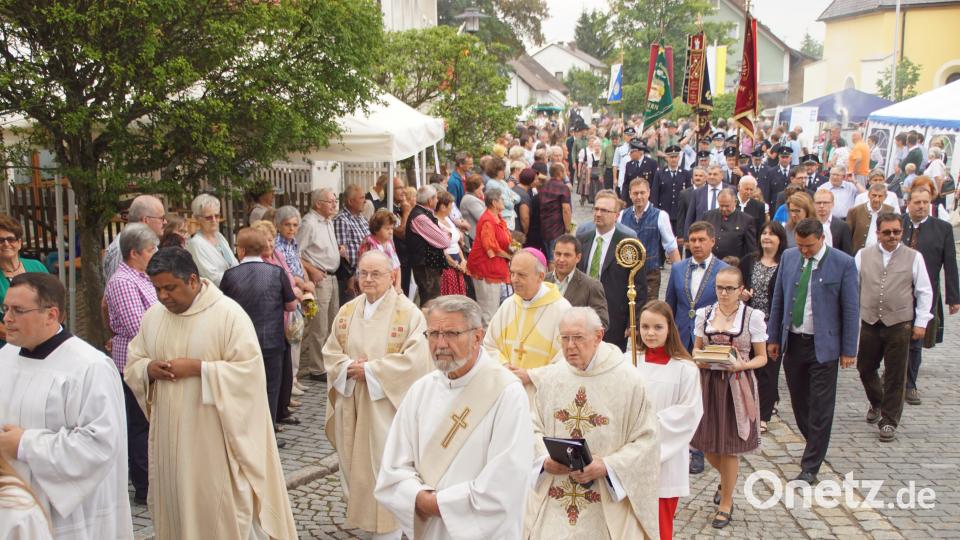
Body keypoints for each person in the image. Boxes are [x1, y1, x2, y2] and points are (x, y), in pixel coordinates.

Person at [124, 247, 296, 539]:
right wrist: (148, 369)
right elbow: (134, 360)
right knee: (178, 505)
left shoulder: (228, 315)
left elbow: (250, 373)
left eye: (170, 288)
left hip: (215, 437)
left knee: (221, 509)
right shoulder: (153, 316)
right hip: (170, 436)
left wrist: (199, 369)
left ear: (192, 280)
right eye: (157, 289)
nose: (163, 296)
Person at [375, 296, 533, 540]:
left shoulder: (507, 393)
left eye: (451, 334)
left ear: (477, 338)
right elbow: (394, 465)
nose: (440, 344)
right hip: (426, 528)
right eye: (434, 334)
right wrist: (417, 498)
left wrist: (437, 505)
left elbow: (506, 481)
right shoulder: (421, 390)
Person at [0, 273, 133, 539]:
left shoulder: (89, 366)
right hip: (14, 503)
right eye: (5, 309)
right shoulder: (6, 356)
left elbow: (101, 444)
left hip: (70, 513)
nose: (7, 319)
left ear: (51, 315)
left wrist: (25, 444)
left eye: (18, 310)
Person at [524, 307, 661, 539]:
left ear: (598, 336)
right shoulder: (553, 377)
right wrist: (543, 460)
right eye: (564, 338)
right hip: (554, 501)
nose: (569, 346)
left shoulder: (629, 381)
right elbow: (532, 426)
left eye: (578, 338)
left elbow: (647, 441)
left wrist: (608, 466)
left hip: (604, 504)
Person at [323, 251, 432, 540]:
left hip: (386, 407)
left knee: (384, 466)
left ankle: (391, 530)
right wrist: (347, 367)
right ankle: (370, 526)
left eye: (376, 274)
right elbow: (331, 351)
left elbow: (417, 361)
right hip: (352, 401)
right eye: (363, 273)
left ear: (391, 276)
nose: (368, 280)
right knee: (356, 469)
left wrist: (371, 371)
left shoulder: (408, 314)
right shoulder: (347, 311)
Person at [767, 218, 860, 485]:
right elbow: (780, 299)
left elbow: (851, 310)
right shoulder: (789, 257)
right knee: (799, 402)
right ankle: (815, 443)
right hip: (794, 341)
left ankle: (811, 466)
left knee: (821, 406)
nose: (804, 251)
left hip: (825, 346)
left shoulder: (843, 263)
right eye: (800, 245)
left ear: (821, 238)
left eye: (808, 246)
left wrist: (848, 349)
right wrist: (774, 336)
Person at [691, 267, 768, 529]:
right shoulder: (705, 314)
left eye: (729, 289)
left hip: (736, 384)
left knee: (730, 445)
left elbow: (762, 357)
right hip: (709, 383)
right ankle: (726, 479)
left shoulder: (752, 317)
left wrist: (741, 366)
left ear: (741, 289)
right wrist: (698, 359)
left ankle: (726, 503)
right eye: (719, 288)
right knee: (706, 442)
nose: (723, 294)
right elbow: (697, 348)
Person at [855, 212, 933, 442]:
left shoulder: (913, 257)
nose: (892, 236)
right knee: (865, 368)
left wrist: (921, 322)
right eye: (887, 232)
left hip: (899, 323)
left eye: (896, 232)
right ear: (878, 233)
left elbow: (924, 291)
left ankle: (889, 420)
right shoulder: (863, 255)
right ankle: (878, 401)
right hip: (870, 321)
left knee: (896, 374)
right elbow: (853, 286)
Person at [635, 301, 703, 540]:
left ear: (669, 328)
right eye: (644, 326)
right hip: (630, 457)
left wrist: (645, 429)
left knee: (659, 527)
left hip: (665, 457)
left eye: (657, 327)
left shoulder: (685, 369)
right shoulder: (630, 361)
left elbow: (688, 414)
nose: (650, 333)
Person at [103, 223, 159, 505]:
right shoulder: (123, 281)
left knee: (148, 424)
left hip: (148, 359)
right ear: (134, 252)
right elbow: (136, 325)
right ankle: (144, 486)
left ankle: (153, 479)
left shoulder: (143, 276)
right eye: (151, 249)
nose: (155, 253)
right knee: (139, 426)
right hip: (132, 362)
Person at [219, 228, 296, 429]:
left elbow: (222, 307)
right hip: (272, 339)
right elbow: (291, 305)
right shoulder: (276, 273)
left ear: (241, 250)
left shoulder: (230, 275)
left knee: (244, 388)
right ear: (263, 249)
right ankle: (268, 433)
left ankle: (244, 430)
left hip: (241, 342)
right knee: (271, 388)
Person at [901, 187, 960, 405]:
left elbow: (950, 264)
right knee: (894, 338)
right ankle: (893, 376)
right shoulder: (897, 224)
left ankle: (910, 384)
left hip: (926, 293)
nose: (922, 206)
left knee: (916, 340)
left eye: (926, 202)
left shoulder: (942, 228)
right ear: (908, 203)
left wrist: (954, 297)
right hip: (897, 293)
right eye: (917, 202)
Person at [483, 249, 570, 385]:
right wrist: (504, 366)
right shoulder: (509, 304)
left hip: (539, 395)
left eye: (521, 275)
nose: (514, 280)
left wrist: (532, 376)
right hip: (507, 388)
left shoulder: (562, 310)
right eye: (512, 273)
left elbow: (567, 360)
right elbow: (489, 345)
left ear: (541, 276)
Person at [577, 189, 647, 351]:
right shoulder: (583, 238)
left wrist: (633, 320)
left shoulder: (627, 243)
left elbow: (639, 285)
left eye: (604, 210)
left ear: (616, 215)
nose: (599, 214)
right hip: (583, 312)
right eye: (596, 209)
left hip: (614, 316)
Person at [738, 221, 788, 430]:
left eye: (772, 234)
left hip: (772, 323)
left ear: (780, 239)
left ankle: (764, 416)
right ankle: (746, 411)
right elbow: (738, 282)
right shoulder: (750, 260)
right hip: (749, 321)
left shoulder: (785, 263)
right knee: (749, 367)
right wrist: (742, 293)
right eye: (764, 233)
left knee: (768, 370)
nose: (767, 237)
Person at [297, 188, 343, 382]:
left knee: (332, 323)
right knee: (319, 326)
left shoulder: (328, 221)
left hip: (332, 276)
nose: (335, 204)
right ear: (318, 204)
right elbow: (296, 253)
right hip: (319, 278)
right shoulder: (309, 223)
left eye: (335, 200)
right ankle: (316, 368)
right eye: (330, 201)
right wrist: (311, 270)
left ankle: (325, 362)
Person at [666, 221, 729, 351]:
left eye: (701, 240)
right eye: (693, 240)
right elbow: (670, 304)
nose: (697, 244)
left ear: (712, 241)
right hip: (680, 335)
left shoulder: (724, 270)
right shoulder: (677, 268)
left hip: (710, 336)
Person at [620, 179, 682, 300]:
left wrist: (680, 275)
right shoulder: (622, 215)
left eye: (642, 193)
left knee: (648, 310)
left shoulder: (660, 215)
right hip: (625, 273)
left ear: (649, 193)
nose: (639, 196)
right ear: (630, 194)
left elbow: (671, 247)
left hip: (650, 273)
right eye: (635, 193)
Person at [0, 216, 49, 347]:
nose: (6, 244)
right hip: (6, 348)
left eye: (11, 239)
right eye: (0, 240)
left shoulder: (37, 266)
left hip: (43, 341)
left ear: (19, 243)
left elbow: (54, 301)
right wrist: (28, 342)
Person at [466, 187, 512, 323]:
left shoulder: (497, 217)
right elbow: (490, 247)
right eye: (501, 199)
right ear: (494, 202)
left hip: (493, 267)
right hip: (485, 268)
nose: (504, 201)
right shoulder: (488, 221)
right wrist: (510, 256)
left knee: (492, 309)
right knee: (488, 312)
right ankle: (485, 342)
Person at [545, 234, 609, 329]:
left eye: (567, 255)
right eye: (558, 254)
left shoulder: (591, 286)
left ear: (578, 258)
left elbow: (602, 322)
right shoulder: (542, 281)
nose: (561, 259)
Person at [103, 195, 166, 281]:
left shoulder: (147, 242)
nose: (165, 222)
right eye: (161, 218)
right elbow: (119, 289)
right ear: (145, 220)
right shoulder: (122, 249)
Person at [407, 185, 452, 306]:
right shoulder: (420, 217)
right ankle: (427, 325)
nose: (437, 201)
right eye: (436, 198)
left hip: (429, 265)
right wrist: (447, 234)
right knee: (430, 302)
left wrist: (446, 234)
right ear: (429, 200)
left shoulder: (425, 214)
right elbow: (445, 241)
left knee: (432, 300)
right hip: (426, 267)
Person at [185, 193, 237, 286]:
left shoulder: (219, 236)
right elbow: (212, 278)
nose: (214, 220)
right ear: (197, 219)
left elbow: (234, 264)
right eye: (208, 217)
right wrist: (238, 278)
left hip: (233, 289)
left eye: (217, 216)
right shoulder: (196, 244)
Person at [335, 184, 371, 305]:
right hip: (351, 279)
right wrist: (350, 277)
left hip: (365, 276)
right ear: (350, 201)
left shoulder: (362, 218)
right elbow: (341, 254)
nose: (365, 201)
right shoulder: (342, 220)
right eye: (361, 198)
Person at [702, 188, 757, 261]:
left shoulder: (746, 220)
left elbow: (751, 249)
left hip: (733, 265)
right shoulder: (708, 216)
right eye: (721, 206)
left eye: (727, 206)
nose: (724, 209)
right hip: (711, 261)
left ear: (735, 202)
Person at [650, 144, 692, 235]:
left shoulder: (686, 174)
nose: (673, 159)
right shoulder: (660, 173)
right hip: (664, 212)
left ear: (679, 157)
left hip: (680, 213)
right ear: (667, 158)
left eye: (675, 157)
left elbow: (689, 194)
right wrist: (656, 212)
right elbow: (655, 194)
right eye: (671, 157)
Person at [359, 209, 403, 293]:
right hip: (375, 288)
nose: (390, 232)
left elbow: (397, 266)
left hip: (391, 288)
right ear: (376, 229)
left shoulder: (390, 243)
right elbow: (367, 270)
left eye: (391, 228)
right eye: (387, 228)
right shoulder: (368, 243)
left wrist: (398, 285)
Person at [683, 165, 733, 237]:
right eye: (709, 174)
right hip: (702, 234)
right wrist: (686, 237)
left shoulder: (731, 190)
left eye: (715, 174)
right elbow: (690, 217)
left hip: (725, 234)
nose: (712, 177)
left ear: (722, 176)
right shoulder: (697, 193)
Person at [435, 192, 469, 296]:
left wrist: (463, 260)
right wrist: (456, 265)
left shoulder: (447, 219)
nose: (452, 208)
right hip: (448, 265)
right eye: (450, 205)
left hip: (458, 262)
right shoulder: (436, 222)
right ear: (442, 207)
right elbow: (442, 250)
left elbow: (456, 242)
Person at [848, 183, 897, 252]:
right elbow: (847, 236)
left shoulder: (891, 211)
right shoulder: (855, 211)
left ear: (885, 197)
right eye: (874, 195)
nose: (876, 199)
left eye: (880, 196)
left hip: (882, 254)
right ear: (868, 195)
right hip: (859, 253)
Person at [539, 163, 573, 259]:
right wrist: (568, 228)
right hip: (557, 227)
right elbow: (566, 209)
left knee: (548, 256)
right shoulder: (563, 187)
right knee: (555, 257)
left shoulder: (544, 185)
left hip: (544, 226)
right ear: (561, 173)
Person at [812, 190, 854, 255]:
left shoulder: (842, 226)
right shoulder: (808, 224)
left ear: (832, 204)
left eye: (825, 203)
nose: (822, 206)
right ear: (813, 204)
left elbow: (847, 252)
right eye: (818, 203)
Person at [485, 157, 521, 230]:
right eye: (501, 170)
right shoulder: (492, 184)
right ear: (495, 171)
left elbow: (518, 197)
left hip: (510, 218)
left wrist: (511, 199)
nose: (504, 172)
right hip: (502, 218)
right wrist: (512, 199)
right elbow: (508, 205)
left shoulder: (503, 182)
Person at [620, 140, 658, 206]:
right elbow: (626, 184)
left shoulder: (652, 163)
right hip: (632, 200)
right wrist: (623, 199)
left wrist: (653, 200)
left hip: (647, 199)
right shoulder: (629, 165)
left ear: (640, 152)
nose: (630, 154)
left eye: (632, 152)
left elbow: (655, 185)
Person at [576, 136, 602, 206]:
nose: (592, 142)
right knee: (584, 184)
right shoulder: (584, 150)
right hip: (585, 168)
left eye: (593, 141)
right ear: (588, 142)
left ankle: (591, 198)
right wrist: (578, 172)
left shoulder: (597, 151)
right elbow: (580, 162)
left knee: (593, 186)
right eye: (591, 141)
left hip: (593, 169)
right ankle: (583, 197)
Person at [459, 174, 486, 239]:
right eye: (481, 189)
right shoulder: (470, 200)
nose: (482, 192)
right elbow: (484, 218)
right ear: (474, 188)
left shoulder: (472, 198)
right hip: (473, 237)